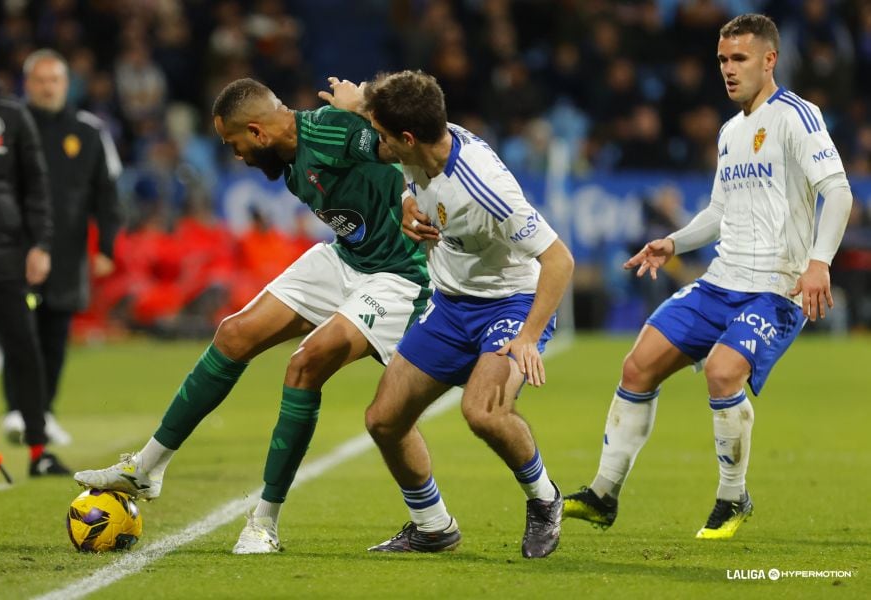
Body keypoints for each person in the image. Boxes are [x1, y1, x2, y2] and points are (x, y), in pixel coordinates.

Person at [74, 78, 431, 554]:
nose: (235, 155)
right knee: (234, 333)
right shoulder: (285, 156)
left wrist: (366, 111)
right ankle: (146, 468)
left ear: (258, 132)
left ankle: (264, 522)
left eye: (233, 143)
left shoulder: (330, 132)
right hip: (347, 257)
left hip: (398, 275)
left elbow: (406, 148)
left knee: (306, 365)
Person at [562, 14, 853, 540]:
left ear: (770, 60)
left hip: (775, 286)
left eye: (739, 58)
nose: (728, 69)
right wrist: (675, 241)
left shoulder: (797, 115)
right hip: (722, 280)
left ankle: (732, 497)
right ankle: (603, 493)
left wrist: (819, 262)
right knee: (638, 365)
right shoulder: (729, 132)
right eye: (722, 59)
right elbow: (719, 211)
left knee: (722, 373)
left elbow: (838, 189)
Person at [321, 71, 575, 558]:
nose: (377, 143)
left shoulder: (485, 188)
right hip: (452, 303)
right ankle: (432, 527)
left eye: (381, 136)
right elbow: (393, 134)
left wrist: (528, 337)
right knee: (384, 420)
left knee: (482, 412)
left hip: (511, 302)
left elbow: (559, 259)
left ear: (408, 139)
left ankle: (545, 499)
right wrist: (403, 200)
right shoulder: (421, 141)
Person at [0, 49, 123, 446]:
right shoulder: (8, 125)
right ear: (27, 84)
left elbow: (106, 195)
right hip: (15, 251)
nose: (48, 87)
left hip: (68, 255)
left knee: (54, 336)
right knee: (21, 332)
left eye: (55, 80)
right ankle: (18, 410)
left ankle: (44, 411)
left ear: (66, 85)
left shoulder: (88, 131)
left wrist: (105, 246)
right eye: (40, 80)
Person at [0, 28, 70, 475]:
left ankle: (38, 451)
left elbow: (36, 189)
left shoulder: (11, 117)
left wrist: (41, 245)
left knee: (24, 348)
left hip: (3, 253)